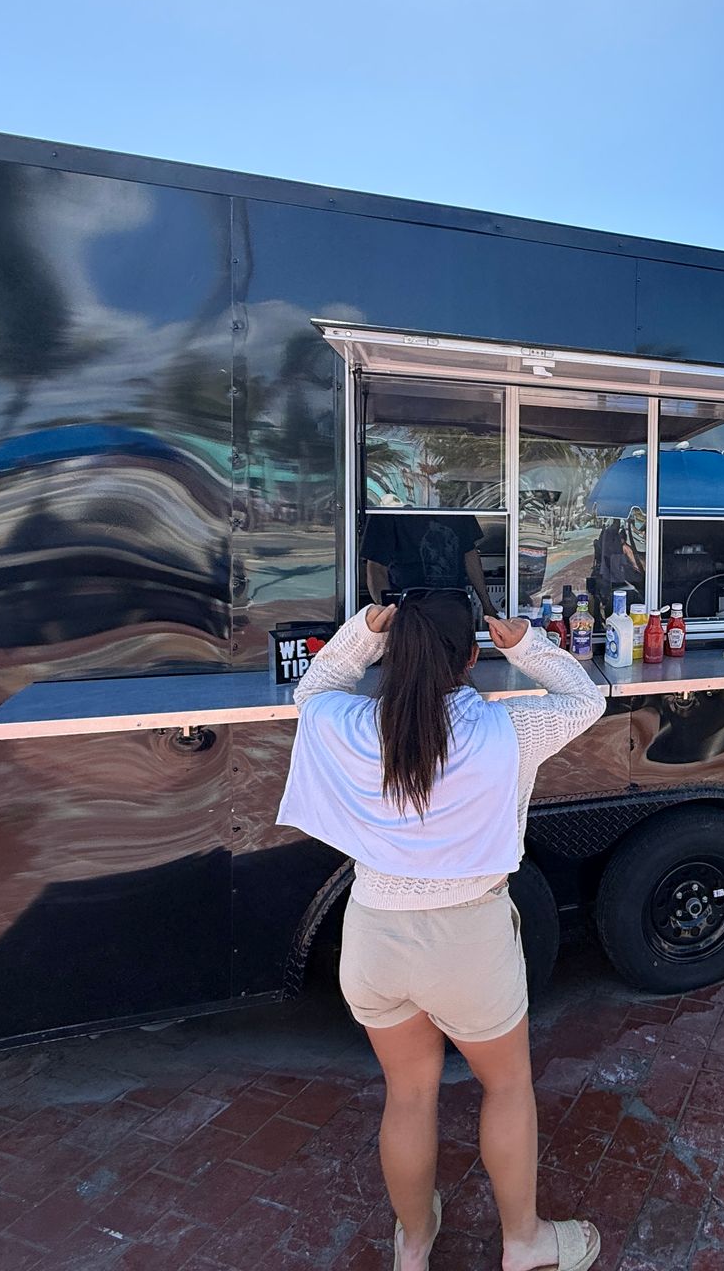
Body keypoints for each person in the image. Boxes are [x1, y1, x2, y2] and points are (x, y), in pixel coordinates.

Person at [278, 590, 605, 1271]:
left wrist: (362, 634)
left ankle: (415, 1241)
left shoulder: (351, 722)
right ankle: (522, 1243)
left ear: (397, 652)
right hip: (469, 943)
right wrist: (528, 645)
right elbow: (586, 698)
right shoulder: (509, 731)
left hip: (374, 938)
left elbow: (313, 691)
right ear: (472, 656)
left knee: (408, 1093)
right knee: (508, 1087)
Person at [362, 512, 499, 617]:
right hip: (409, 610)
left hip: (454, 608)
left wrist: (487, 606)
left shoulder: (456, 505)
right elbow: (376, 569)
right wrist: (389, 613)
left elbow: (470, 554)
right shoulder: (387, 510)